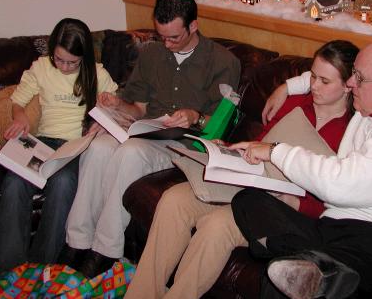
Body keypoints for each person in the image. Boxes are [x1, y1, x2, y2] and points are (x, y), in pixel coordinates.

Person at [125, 40, 360, 299]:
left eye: (324, 81)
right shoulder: (295, 104)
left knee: (216, 226)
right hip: (250, 183)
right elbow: (259, 144)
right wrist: (225, 149)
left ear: (349, 86)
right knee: (174, 200)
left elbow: (344, 197)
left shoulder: (353, 133)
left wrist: (298, 204)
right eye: (312, 76)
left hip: (279, 210)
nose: (313, 85)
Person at [231, 40, 372, 299]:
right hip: (335, 226)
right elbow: (323, 76)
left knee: (283, 283)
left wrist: (274, 150)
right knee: (249, 201)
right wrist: (287, 87)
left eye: (359, 78)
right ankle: (314, 262)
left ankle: (314, 265)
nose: (350, 84)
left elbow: (342, 186)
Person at [60, 0, 241, 278]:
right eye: (161, 36)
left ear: (193, 26)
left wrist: (196, 116)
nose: (166, 44)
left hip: (185, 145)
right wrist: (117, 106)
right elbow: (139, 107)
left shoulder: (223, 62)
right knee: (98, 147)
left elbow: (221, 125)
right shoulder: (152, 54)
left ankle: (105, 250)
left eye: (173, 38)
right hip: (148, 131)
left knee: (130, 153)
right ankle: (76, 242)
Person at [0, 18, 118, 276]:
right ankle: (7, 271)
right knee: (14, 182)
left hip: (76, 146)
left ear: (84, 58)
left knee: (63, 184)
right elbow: (18, 100)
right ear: (51, 52)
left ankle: (43, 267)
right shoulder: (41, 67)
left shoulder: (98, 74)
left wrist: (106, 117)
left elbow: (117, 108)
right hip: (44, 142)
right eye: (59, 60)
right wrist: (20, 116)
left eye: (72, 62)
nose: (64, 67)